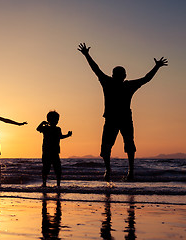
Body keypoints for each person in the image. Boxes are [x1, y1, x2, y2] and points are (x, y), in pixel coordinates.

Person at [78, 42, 168, 181]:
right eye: (117, 74)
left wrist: (87, 55)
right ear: (118, 75)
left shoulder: (117, 83)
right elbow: (146, 79)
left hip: (121, 119)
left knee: (124, 145)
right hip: (116, 119)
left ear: (122, 75)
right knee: (115, 147)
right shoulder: (115, 83)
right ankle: (117, 171)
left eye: (120, 74)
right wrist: (156, 66)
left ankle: (123, 171)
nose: (119, 76)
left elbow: (96, 69)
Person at [37, 111, 72, 187]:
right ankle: (44, 183)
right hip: (46, 152)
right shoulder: (46, 128)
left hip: (55, 152)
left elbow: (60, 137)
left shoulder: (58, 129)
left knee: (58, 169)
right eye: (54, 120)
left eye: (57, 120)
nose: (56, 121)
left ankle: (58, 185)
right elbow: (38, 128)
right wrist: (42, 122)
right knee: (46, 168)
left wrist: (68, 135)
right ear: (49, 120)